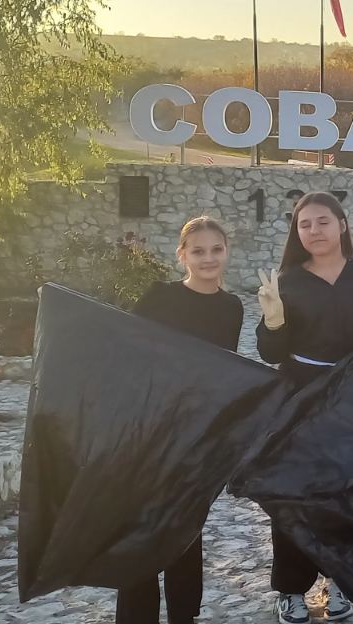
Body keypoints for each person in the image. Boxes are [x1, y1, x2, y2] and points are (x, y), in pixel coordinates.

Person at [254, 192, 353, 624]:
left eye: (322, 221)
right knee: (296, 491)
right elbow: (269, 352)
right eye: (305, 224)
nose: (314, 230)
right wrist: (274, 320)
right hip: (301, 396)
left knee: (351, 490)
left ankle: (341, 581)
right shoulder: (288, 281)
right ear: (296, 232)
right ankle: (291, 589)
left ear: (341, 225)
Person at [120, 216, 244, 624]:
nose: (208, 258)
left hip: (197, 439)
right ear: (182, 256)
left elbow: (221, 372)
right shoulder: (160, 297)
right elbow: (126, 349)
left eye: (216, 250)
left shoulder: (231, 307)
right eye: (198, 250)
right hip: (151, 431)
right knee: (141, 533)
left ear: (226, 252)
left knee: (185, 535)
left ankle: (183, 618)